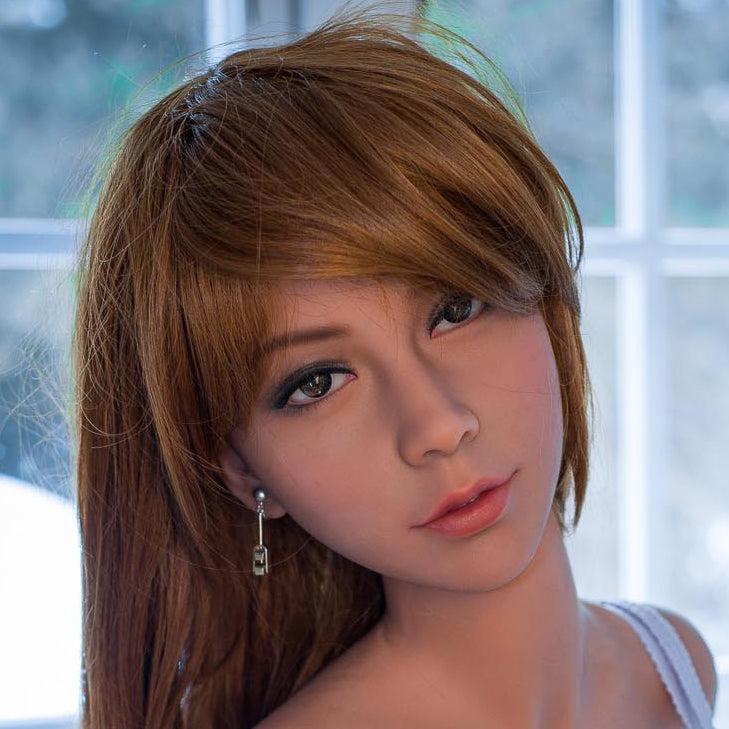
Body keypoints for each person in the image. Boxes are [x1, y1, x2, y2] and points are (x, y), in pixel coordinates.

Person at [71, 4, 718, 728]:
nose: (436, 426)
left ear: (544, 294)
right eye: (316, 382)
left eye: (456, 308)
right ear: (244, 471)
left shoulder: (670, 663)